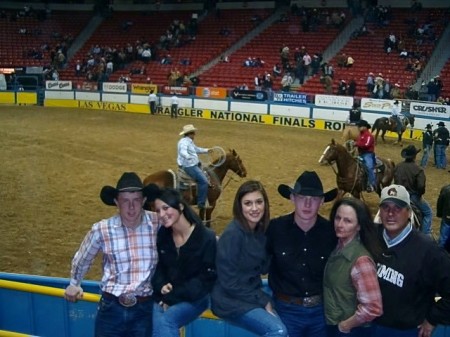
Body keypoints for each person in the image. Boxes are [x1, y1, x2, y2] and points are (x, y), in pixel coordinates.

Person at [64, 172, 159, 337]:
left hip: (144, 309)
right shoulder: (102, 229)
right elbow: (83, 257)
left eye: (136, 200)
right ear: (116, 202)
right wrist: (74, 282)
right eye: (125, 201)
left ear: (144, 201)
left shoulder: (158, 223)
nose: (131, 207)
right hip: (111, 308)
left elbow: (184, 231)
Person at [371, 184, 450, 337]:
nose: (391, 213)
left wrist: (432, 319)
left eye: (398, 208)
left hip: (405, 330)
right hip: (369, 325)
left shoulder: (428, 250)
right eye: (386, 207)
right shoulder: (370, 236)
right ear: (379, 211)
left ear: (409, 212)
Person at [211, 180, 288, 337]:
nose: (254, 208)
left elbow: (263, 267)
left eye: (259, 202)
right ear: (239, 207)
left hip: (247, 295)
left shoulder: (259, 231)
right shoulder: (233, 235)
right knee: (277, 331)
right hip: (229, 300)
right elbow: (229, 282)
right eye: (248, 203)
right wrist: (263, 300)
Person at [266, 171, 338, 337]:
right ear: (292, 198)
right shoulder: (275, 229)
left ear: (321, 202)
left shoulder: (331, 233)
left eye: (313, 199)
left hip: (321, 312)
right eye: (302, 197)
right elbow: (254, 264)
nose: (307, 204)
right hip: (285, 310)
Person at [149, 186, 217, 337]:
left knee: (164, 322)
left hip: (195, 298)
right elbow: (159, 267)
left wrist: (171, 297)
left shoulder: (206, 237)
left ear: (180, 206)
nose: (161, 214)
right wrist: (161, 285)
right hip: (165, 296)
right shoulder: (163, 235)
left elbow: (205, 280)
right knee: (156, 322)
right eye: (158, 210)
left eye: (166, 208)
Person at [324, 197, 383, 337]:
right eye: (338, 218)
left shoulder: (361, 261)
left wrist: (345, 326)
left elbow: (373, 307)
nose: (340, 224)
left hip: (351, 330)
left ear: (359, 226)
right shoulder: (338, 247)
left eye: (347, 221)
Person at [394, 145, 433, 235]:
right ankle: (425, 235)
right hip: (412, 197)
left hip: (398, 195)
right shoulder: (418, 170)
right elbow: (421, 186)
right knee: (428, 213)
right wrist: (420, 195)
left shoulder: (398, 166)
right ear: (414, 156)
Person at [177, 124, 211, 210]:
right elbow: (182, 151)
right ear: (190, 133)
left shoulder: (188, 141)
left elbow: (196, 149)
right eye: (193, 133)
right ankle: (201, 203)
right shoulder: (184, 142)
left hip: (192, 164)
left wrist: (206, 150)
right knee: (204, 181)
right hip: (189, 166)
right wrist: (188, 156)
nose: (194, 135)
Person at [355, 120, 376, 192]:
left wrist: (356, 144)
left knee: (369, 167)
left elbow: (367, 145)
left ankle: (372, 184)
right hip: (360, 153)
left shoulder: (369, 135)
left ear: (364, 127)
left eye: (359, 126)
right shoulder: (360, 135)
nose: (358, 127)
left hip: (368, 154)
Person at [437, 183, 450, 250]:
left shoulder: (445, 189)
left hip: (447, 218)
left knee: (443, 238)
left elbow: (440, 203)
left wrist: (439, 214)